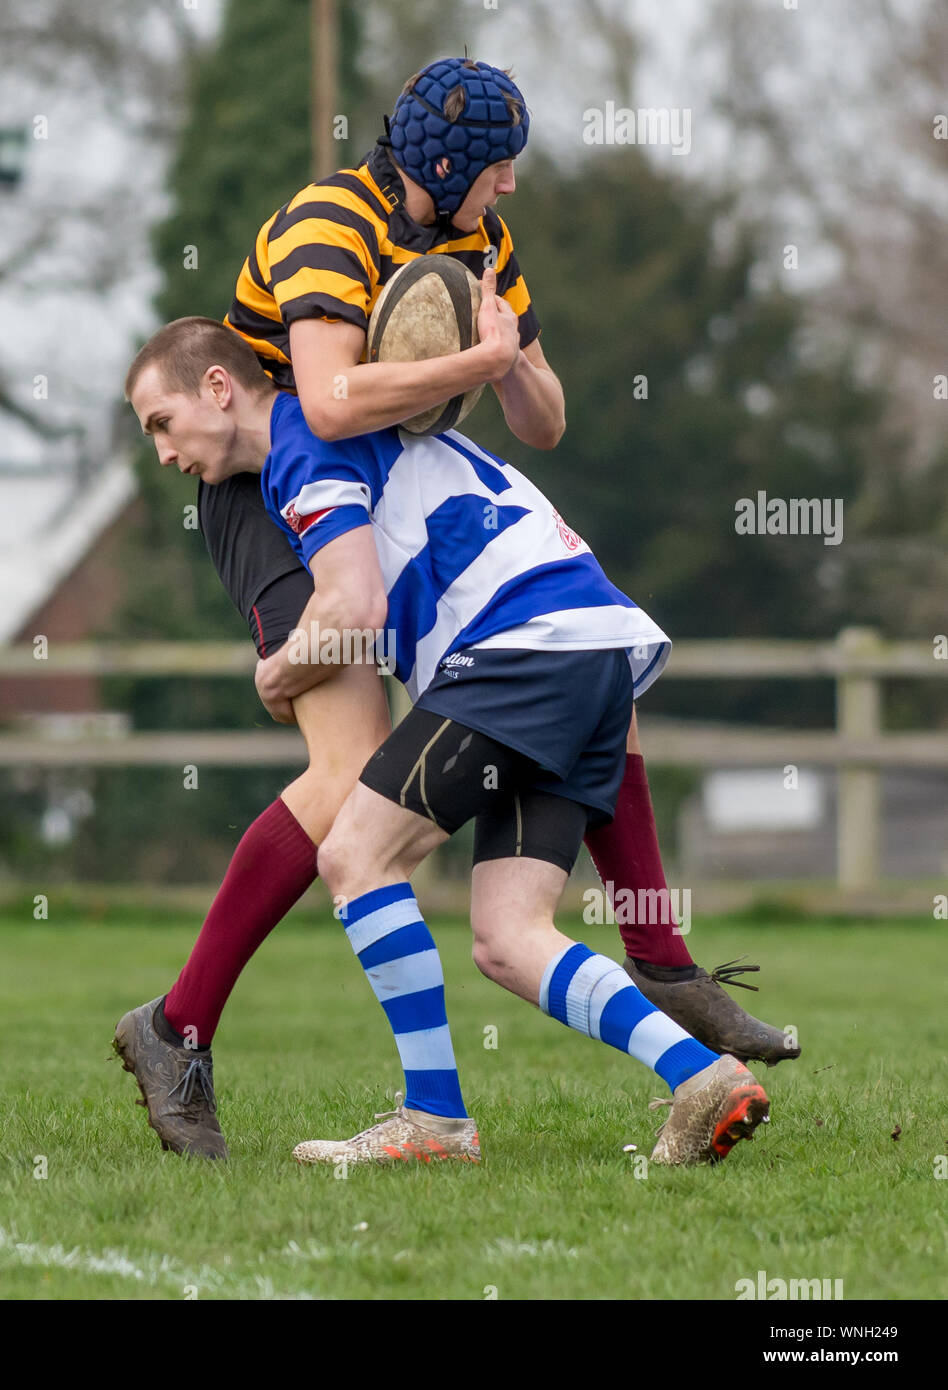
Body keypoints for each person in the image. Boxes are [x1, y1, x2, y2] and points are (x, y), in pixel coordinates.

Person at [114, 58, 792, 1161]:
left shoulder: (438, 292)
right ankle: (684, 1039)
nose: (513, 189)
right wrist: (479, 357)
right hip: (567, 614)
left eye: (155, 425)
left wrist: (274, 672)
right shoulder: (329, 224)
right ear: (449, 168)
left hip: (488, 615)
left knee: (361, 840)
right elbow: (333, 396)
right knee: (494, 918)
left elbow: (398, 523)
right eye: (501, 170)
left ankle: (415, 1104)